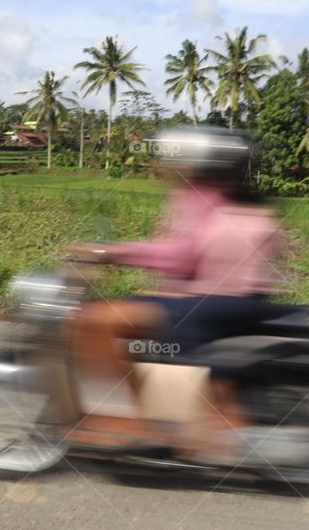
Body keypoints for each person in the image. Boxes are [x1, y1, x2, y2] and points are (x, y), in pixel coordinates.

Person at [67, 126, 282, 457]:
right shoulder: (221, 194)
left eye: (172, 158)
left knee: (98, 320)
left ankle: (129, 423)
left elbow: (182, 257)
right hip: (215, 297)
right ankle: (143, 410)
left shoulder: (203, 195)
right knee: (106, 320)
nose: (164, 165)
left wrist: (112, 253)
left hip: (208, 300)